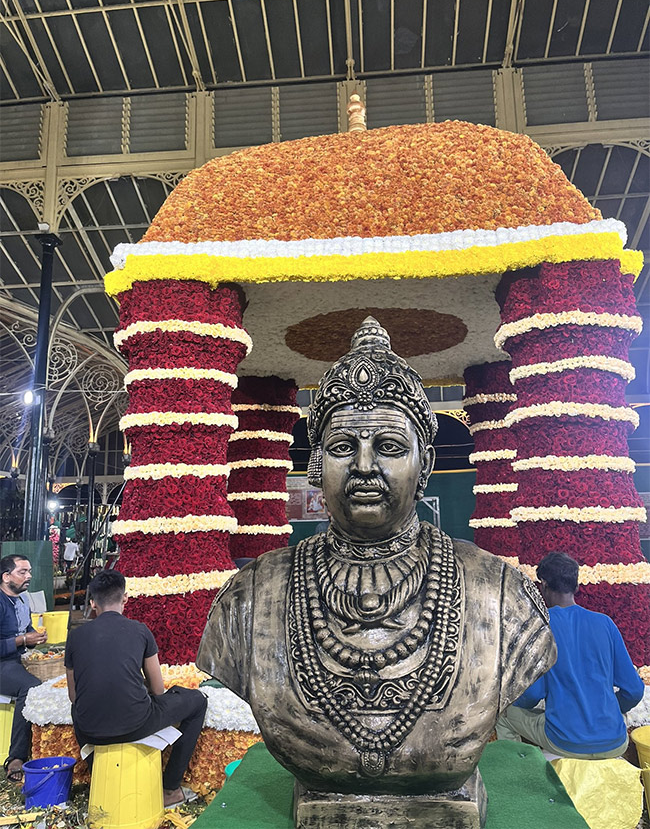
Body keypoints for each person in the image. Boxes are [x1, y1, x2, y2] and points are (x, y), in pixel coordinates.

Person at [198, 317, 556, 810]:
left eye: (388, 447)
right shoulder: (252, 597)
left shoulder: (499, 594)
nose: (365, 466)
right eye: (344, 447)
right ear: (316, 464)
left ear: (424, 465)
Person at [65, 570, 207, 808]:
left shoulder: (75, 636)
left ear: (92, 602)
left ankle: (102, 782)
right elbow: (158, 690)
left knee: (78, 711)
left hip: (89, 730)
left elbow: (73, 696)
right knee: (197, 702)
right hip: (137, 723)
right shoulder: (140, 630)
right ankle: (170, 789)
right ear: (126, 599)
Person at [496, 550, 644, 758]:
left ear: (544, 585)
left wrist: (515, 703)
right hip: (615, 742)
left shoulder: (542, 627)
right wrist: (609, 708)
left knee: (505, 716)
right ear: (576, 586)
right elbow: (635, 690)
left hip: (565, 742)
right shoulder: (605, 623)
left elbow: (532, 694)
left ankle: (517, 775)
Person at [0, 554, 48, 782]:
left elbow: (25, 628)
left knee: (53, 679)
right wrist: (22, 640)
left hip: (19, 659)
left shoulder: (22, 600)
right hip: (3, 663)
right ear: (6, 576)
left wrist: (36, 638)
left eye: (29, 572)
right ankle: (16, 757)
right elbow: (19, 637)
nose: (28, 576)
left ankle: (45, 746)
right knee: (30, 687)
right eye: (22, 572)